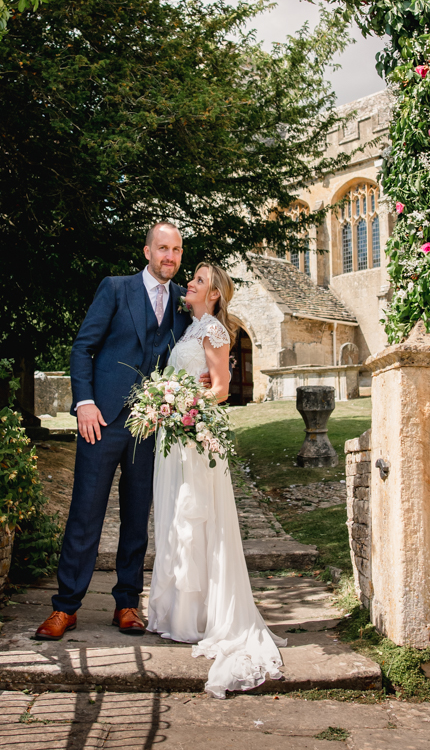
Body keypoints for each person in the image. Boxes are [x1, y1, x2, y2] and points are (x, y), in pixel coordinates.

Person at [35, 221, 191, 640]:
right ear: (146, 251)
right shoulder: (116, 288)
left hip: (151, 426)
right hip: (101, 422)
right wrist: (83, 403)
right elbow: (82, 347)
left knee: (137, 519)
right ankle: (65, 607)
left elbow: (204, 342)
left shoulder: (183, 300)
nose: (169, 257)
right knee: (86, 513)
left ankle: (127, 603)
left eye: (176, 250)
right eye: (162, 248)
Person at [148, 261, 286, 698]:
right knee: (175, 520)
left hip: (194, 438)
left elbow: (222, 388)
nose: (190, 282)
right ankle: (179, 614)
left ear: (214, 296)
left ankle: (201, 617)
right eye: (194, 277)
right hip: (178, 435)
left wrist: (179, 403)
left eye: (200, 281)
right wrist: (167, 401)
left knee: (195, 521)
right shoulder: (191, 328)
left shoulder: (213, 330)